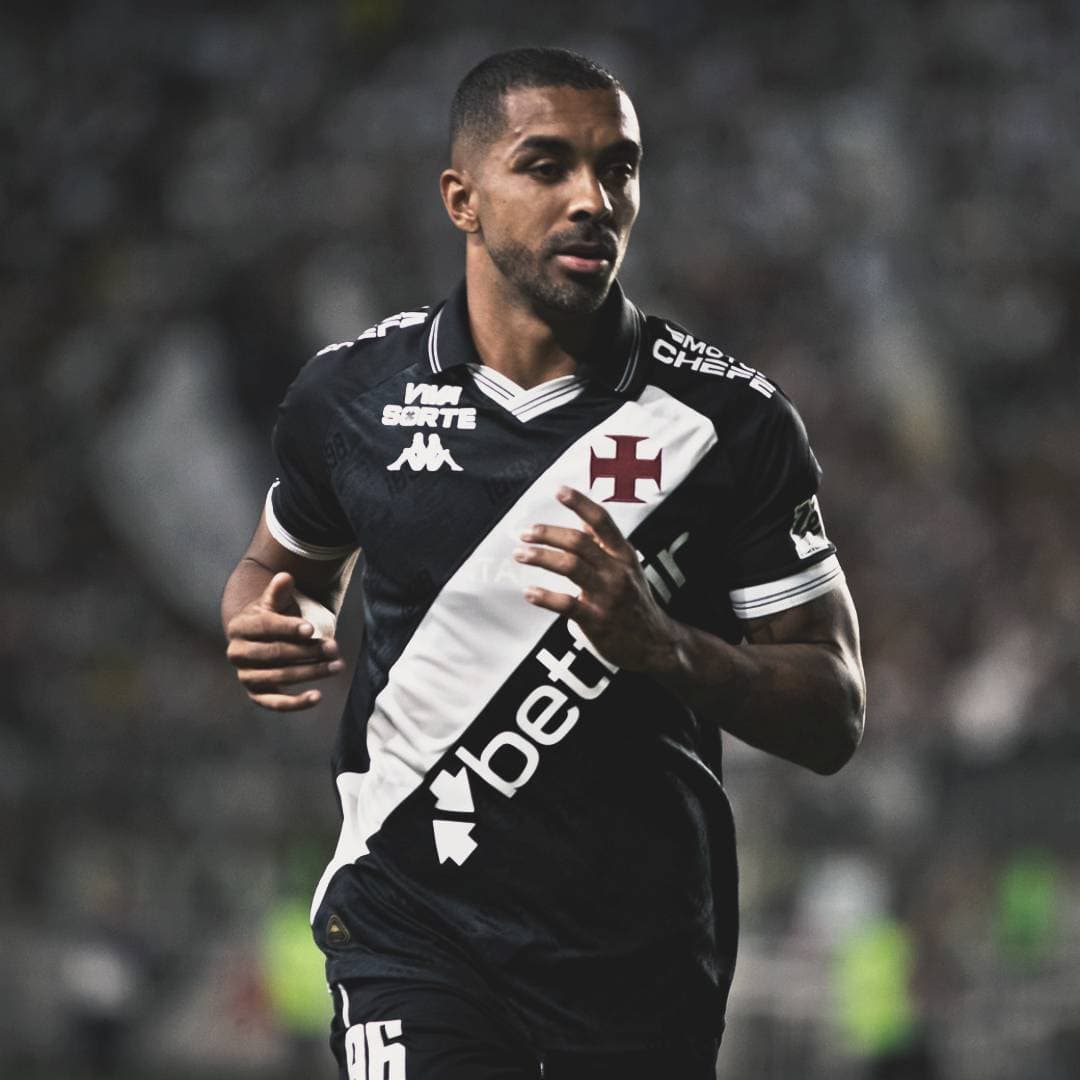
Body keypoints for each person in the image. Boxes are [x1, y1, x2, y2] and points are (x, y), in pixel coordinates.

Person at [221, 46, 865, 1080]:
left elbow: (835, 712)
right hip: (408, 922)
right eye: (547, 165)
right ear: (461, 198)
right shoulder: (348, 397)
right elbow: (272, 568)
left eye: (619, 168)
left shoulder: (727, 422)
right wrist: (262, 621)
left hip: (640, 954)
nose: (593, 199)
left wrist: (664, 648)